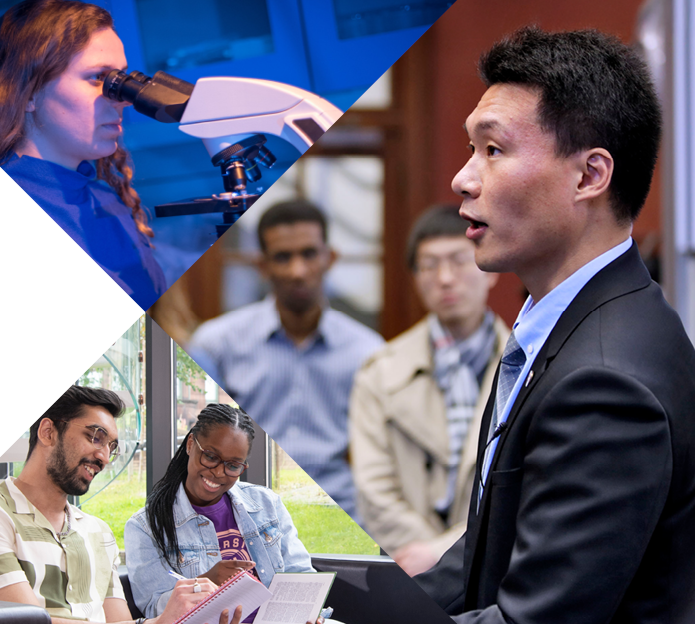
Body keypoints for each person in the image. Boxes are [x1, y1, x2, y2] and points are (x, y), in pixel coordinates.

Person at [413, 27, 695, 623]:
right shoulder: (577, 319)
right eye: (471, 150)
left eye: (492, 150)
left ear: (590, 176)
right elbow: (495, 543)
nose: (464, 179)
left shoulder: (606, 380)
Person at [0, 386, 235, 624]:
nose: (104, 457)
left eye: (111, 447)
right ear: (47, 432)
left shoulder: (97, 532)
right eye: (95, 437)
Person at [0, 0, 166, 309]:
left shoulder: (107, 202)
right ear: (28, 93)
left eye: (121, 79)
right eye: (97, 77)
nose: (122, 99)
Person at [188, 201, 384, 522]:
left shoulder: (367, 351)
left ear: (329, 258)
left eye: (308, 254)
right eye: (283, 257)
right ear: (262, 265)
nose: (297, 271)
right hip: (240, 508)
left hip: (343, 513)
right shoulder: (218, 344)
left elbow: (384, 459)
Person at [349, 204, 508, 576]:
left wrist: (447, 551)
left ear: (490, 271)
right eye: (430, 265)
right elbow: (375, 491)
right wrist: (431, 555)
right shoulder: (380, 372)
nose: (446, 278)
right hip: (411, 565)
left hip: (499, 563)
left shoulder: (530, 363)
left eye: (459, 260)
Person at [124, 404, 316, 621]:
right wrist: (206, 581)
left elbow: (300, 575)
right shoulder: (145, 527)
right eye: (210, 456)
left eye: (232, 466)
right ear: (190, 445)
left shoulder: (266, 504)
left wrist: (310, 612)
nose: (217, 473)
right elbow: (154, 609)